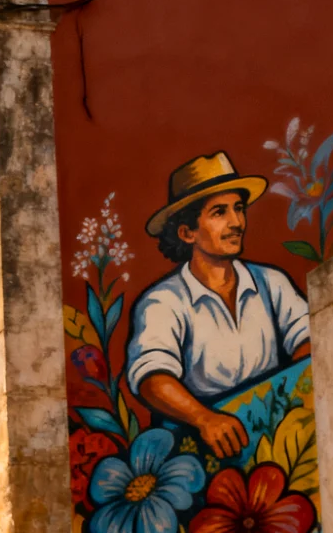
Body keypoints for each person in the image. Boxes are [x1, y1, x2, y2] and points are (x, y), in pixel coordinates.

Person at [126, 152, 310, 458]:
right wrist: (204, 418)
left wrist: (291, 394)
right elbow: (152, 377)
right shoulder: (163, 301)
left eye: (239, 209)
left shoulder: (271, 283)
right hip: (201, 451)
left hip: (277, 439)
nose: (236, 222)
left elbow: (309, 339)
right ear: (187, 232)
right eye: (219, 212)